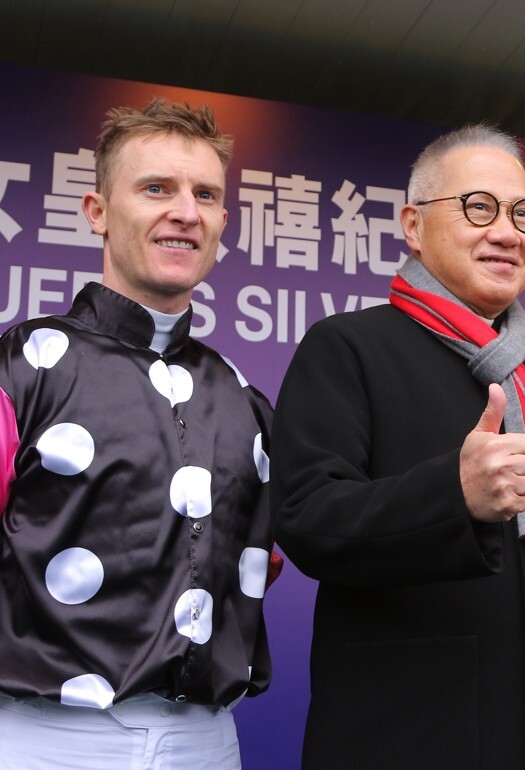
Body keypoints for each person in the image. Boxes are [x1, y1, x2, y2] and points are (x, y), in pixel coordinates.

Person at [271, 124, 525, 769]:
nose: (507, 232)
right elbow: (306, 518)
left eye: (524, 213)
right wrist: (454, 495)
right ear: (413, 226)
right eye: (479, 207)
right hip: (406, 732)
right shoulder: (348, 347)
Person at [0, 99, 275, 769]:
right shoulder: (23, 361)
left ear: (221, 222)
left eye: (205, 195)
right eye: (157, 188)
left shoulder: (244, 398)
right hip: (41, 735)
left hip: (207, 739)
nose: (185, 211)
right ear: (97, 211)